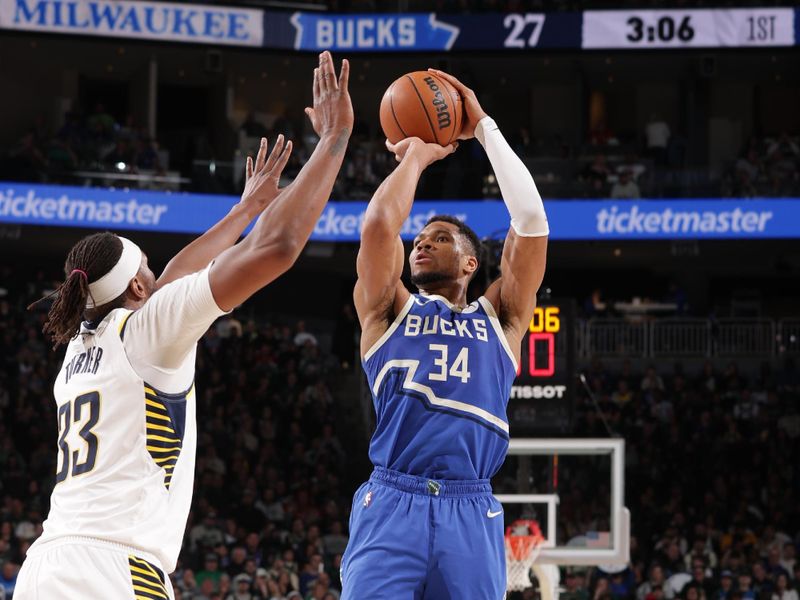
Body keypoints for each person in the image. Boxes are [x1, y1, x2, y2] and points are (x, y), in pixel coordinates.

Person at [14, 51, 353, 600]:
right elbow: (279, 247)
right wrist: (335, 139)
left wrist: (244, 211)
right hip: (117, 569)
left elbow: (176, 276)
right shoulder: (145, 333)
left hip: (45, 566)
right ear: (138, 291)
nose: (159, 271)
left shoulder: (81, 346)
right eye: (147, 267)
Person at [343, 68, 548, 599]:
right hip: (391, 501)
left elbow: (531, 221)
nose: (421, 244)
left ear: (471, 263)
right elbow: (378, 229)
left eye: (439, 237)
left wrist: (484, 129)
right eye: (420, 239)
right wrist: (414, 158)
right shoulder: (388, 311)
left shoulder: (500, 319)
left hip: (470, 505)